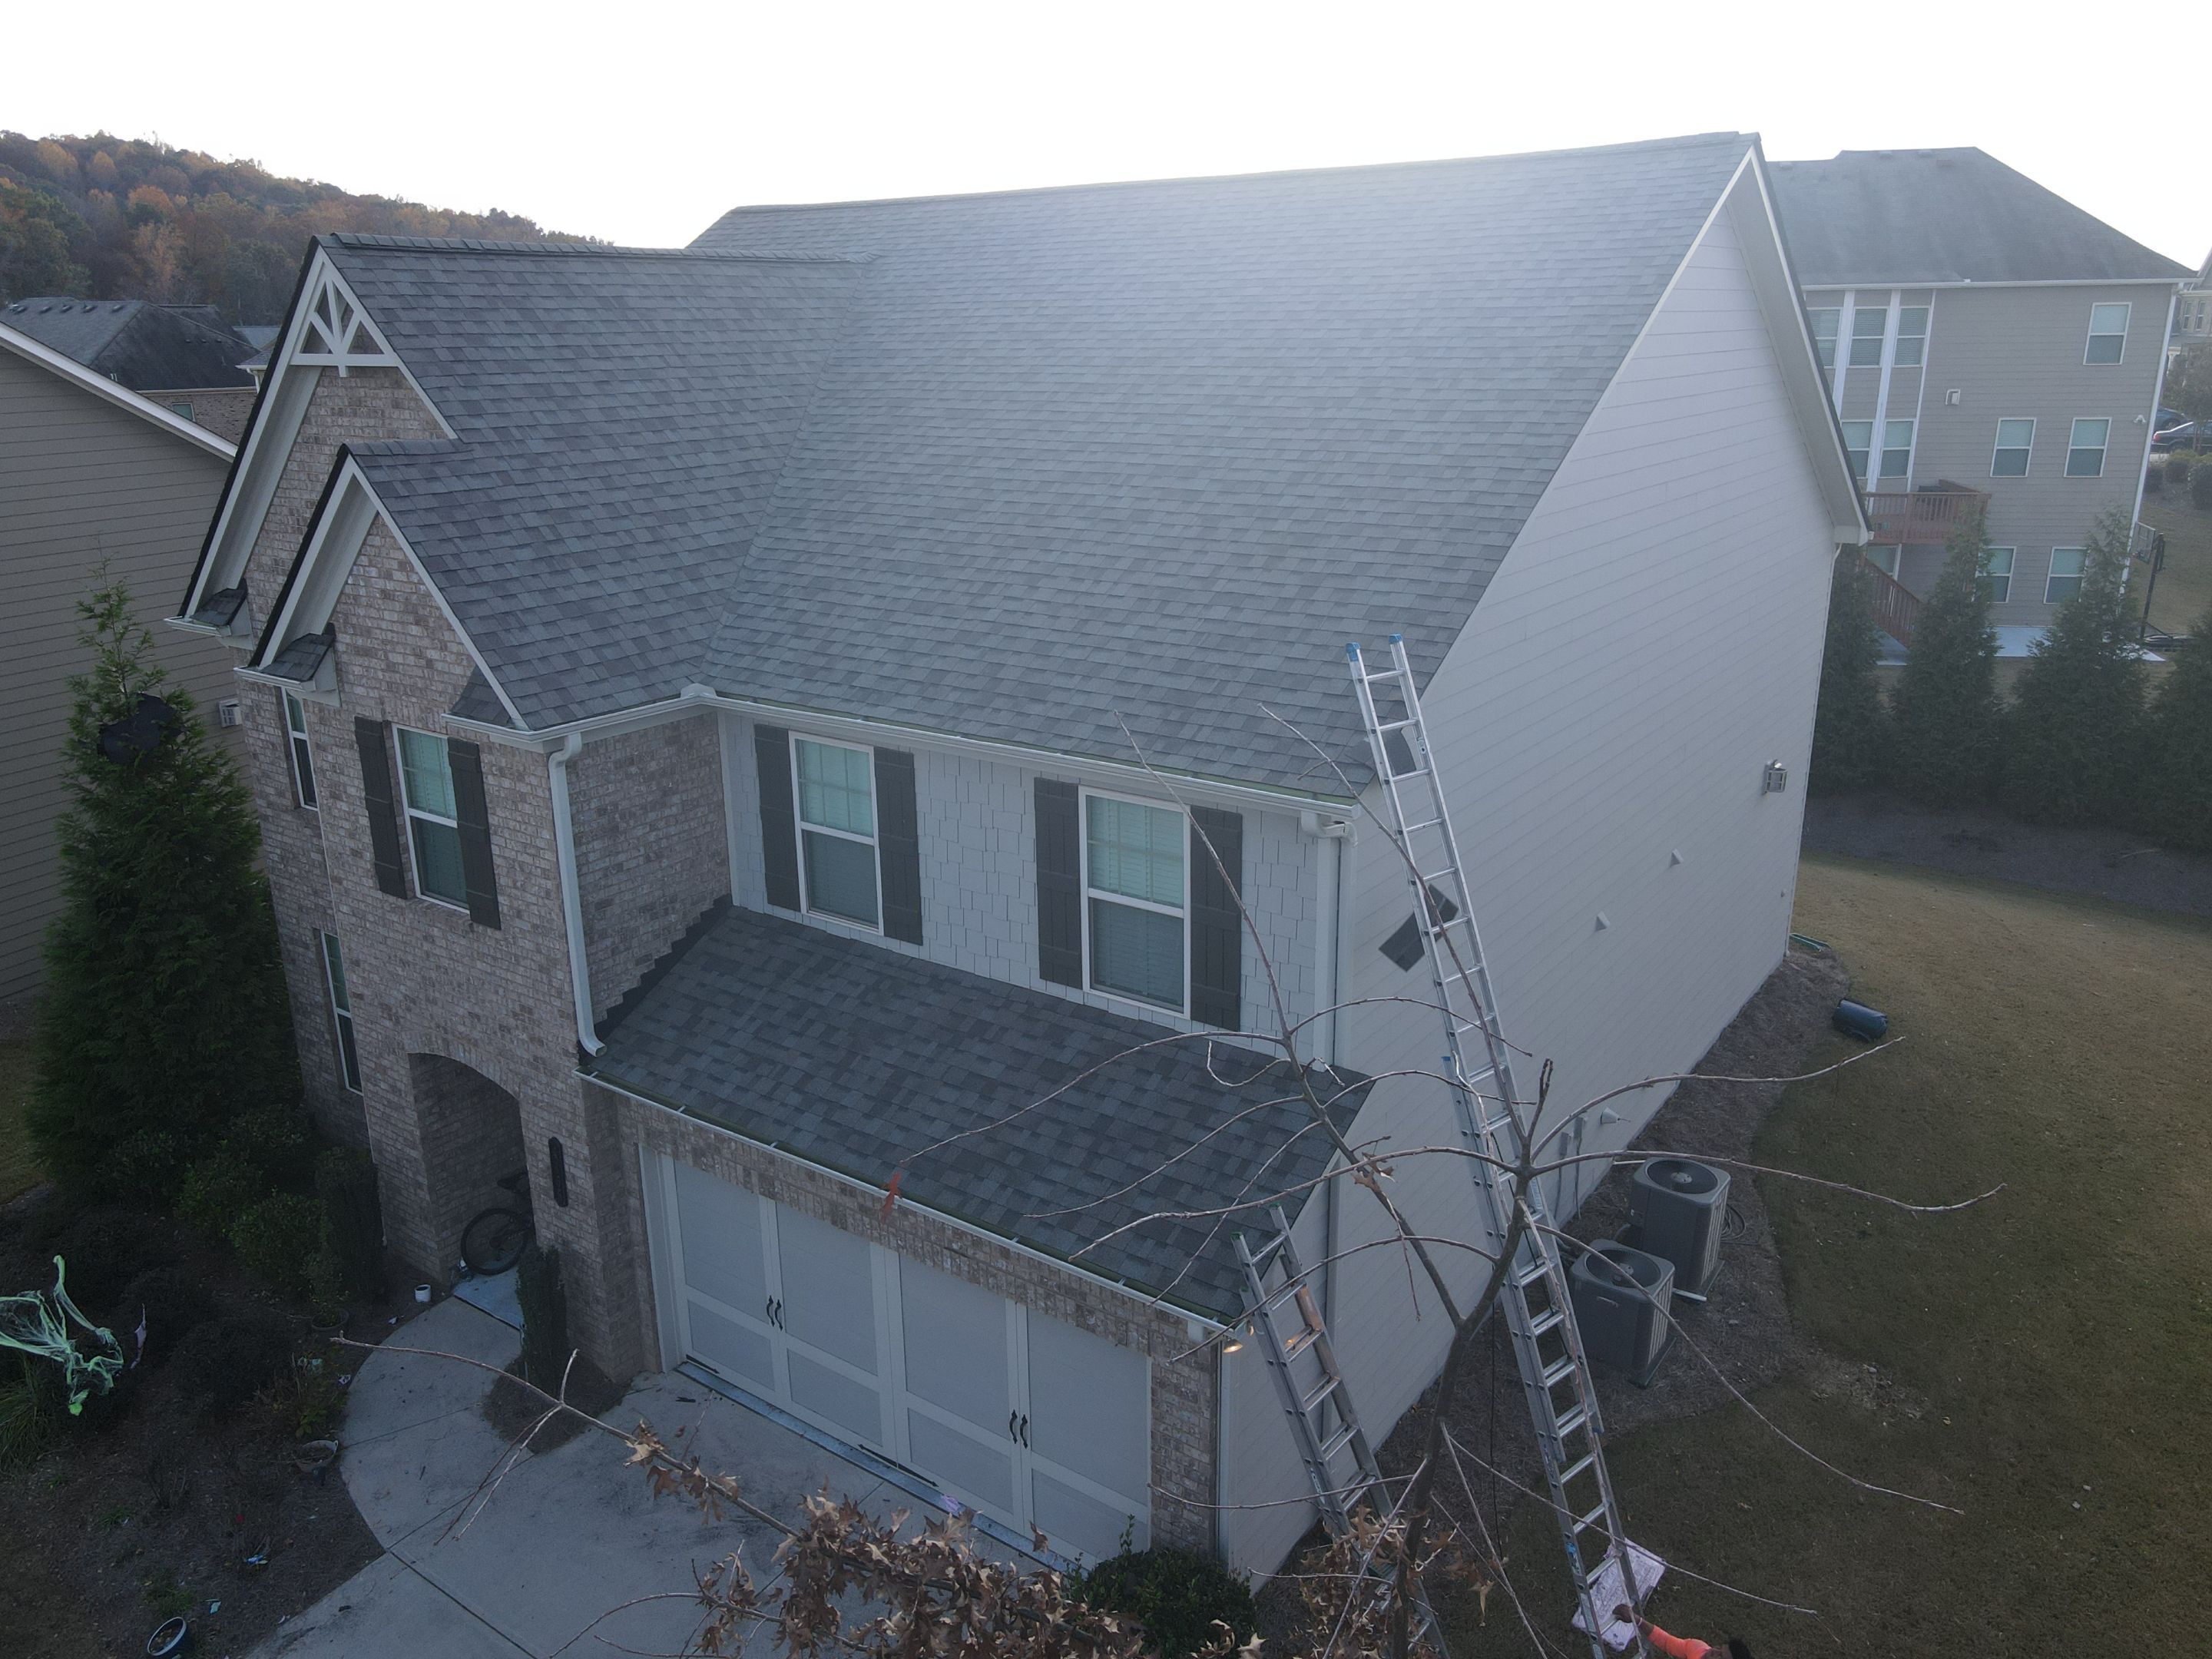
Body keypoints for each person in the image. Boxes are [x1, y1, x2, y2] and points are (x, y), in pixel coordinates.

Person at [1614, 1607, 1751, 1658]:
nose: (1713, 1651)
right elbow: (1667, 1641)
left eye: (1720, 1657)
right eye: (1719, 1648)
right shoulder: (1698, 1648)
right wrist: (1637, 1620)